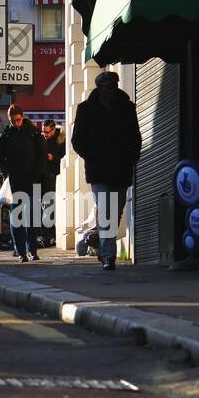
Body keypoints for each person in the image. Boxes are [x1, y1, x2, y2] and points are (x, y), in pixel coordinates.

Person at [71, 71, 142, 271]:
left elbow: (135, 136)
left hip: (120, 167)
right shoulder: (86, 109)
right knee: (105, 211)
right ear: (100, 88)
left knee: (115, 211)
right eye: (108, 87)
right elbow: (77, 140)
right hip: (99, 169)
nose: (112, 90)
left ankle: (104, 249)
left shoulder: (127, 108)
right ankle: (109, 256)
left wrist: (131, 157)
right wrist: (92, 155)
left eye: (114, 86)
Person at [0, 103, 48, 262]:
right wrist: (7, 173)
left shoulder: (33, 133)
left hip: (31, 181)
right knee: (16, 218)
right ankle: (21, 252)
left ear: (22, 116)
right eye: (13, 121)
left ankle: (33, 250)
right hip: (15, 182)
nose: (16, 123)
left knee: (31, 218)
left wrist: (37, 174)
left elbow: (42, 156)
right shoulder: (6, 134)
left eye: (18, 120)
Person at [40, 119, 67, 248]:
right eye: (43, 132)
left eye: (47, 132)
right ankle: (47, 237)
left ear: (52, 129)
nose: (45, 134)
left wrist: (53, 158)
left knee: (52, 208)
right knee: (46, 208)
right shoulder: (42, 139)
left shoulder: (61, 139)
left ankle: (52, 236)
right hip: (44, 177)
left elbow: (65, 157)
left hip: (56, 177)